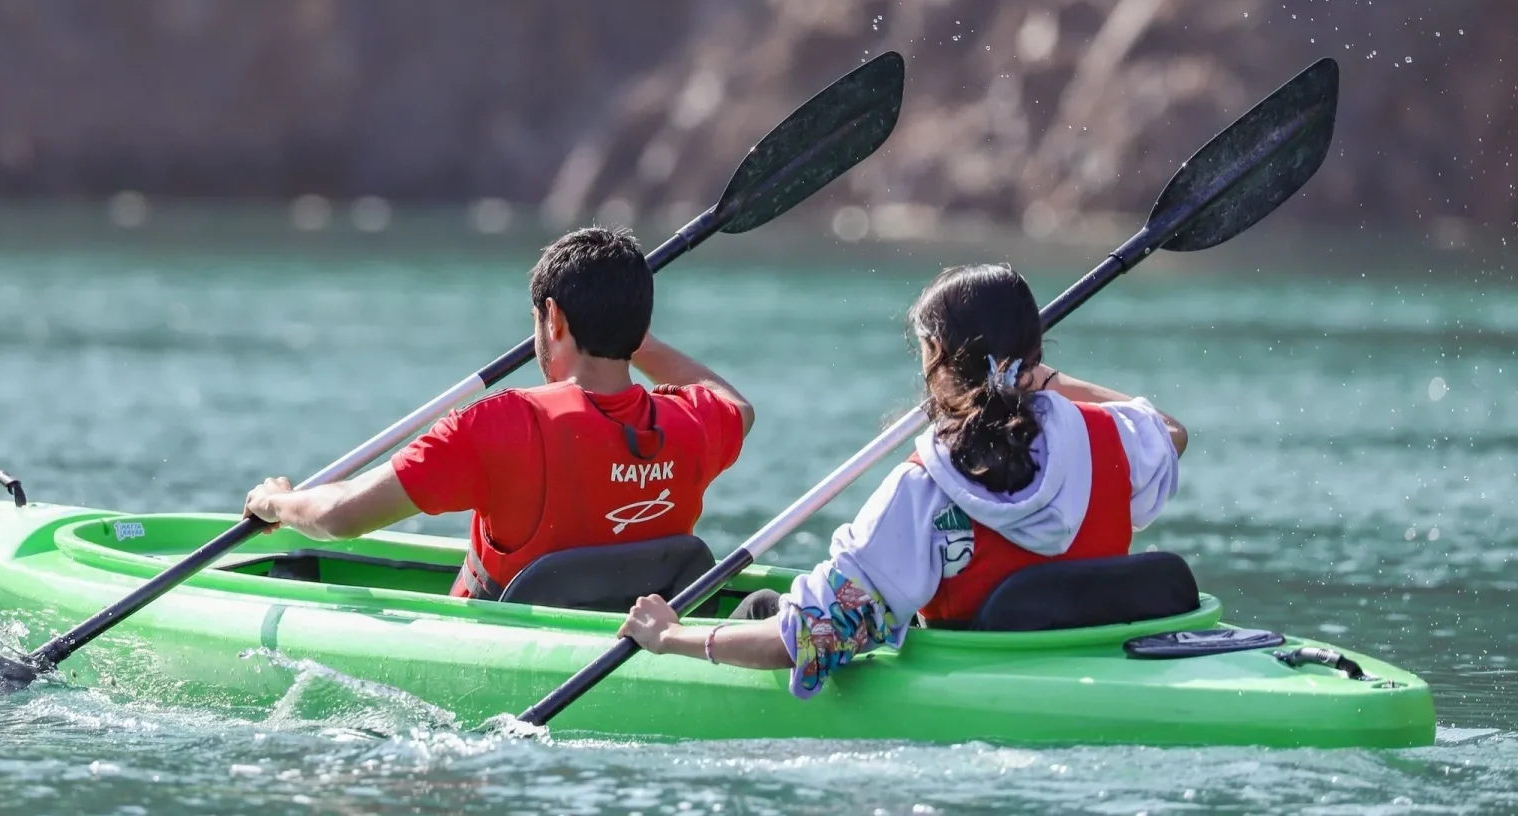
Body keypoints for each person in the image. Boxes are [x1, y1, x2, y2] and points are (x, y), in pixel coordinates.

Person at [615, 262, 1186, 695]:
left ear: (936, 353)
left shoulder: (924, 489)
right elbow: (1169, 430)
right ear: (1033, 356)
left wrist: (671, 637)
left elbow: (813, 638)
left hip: (977, 690)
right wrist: (1036, 377)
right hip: (1100, 663)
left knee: (769, 604)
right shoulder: (1109, 438)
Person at [242, 225, 755, 600]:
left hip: (502, 663)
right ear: (640, 323)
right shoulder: (694, 423)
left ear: (551, 318)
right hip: (637, 639)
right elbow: (737, 406)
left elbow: (341, 516)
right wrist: (631, 334)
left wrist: (278, 503)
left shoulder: (501, 425)